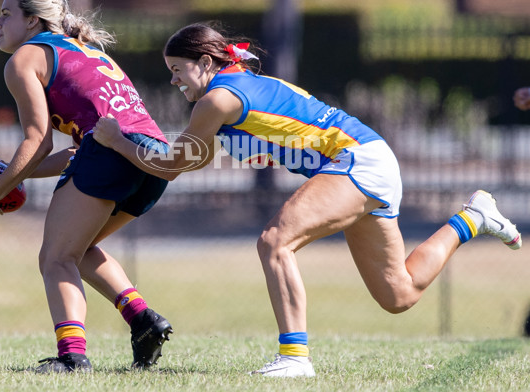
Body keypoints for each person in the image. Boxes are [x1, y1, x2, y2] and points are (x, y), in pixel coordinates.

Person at [92, 22, 523, 378]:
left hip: (357, 162)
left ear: (205, 63)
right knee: (400, 294)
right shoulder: (230, 91)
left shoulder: (218, 98)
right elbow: (190, 160)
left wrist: (115, 140)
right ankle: (474, 215)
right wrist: (137, 148)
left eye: (177, 69)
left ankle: (295, 358)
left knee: (275, 241)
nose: (172, 80)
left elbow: (174, 164)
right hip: (370, 162)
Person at [0, 0, 173, 373]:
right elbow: (73, 154)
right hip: (152, 155)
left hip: (110, 154)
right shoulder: (87, 51)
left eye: (6, 14)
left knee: (56, 257)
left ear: (34, 22)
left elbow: (38, 141)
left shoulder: (24, 59)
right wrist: (9, 177)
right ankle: (143, 319)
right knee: (77, 249)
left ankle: (72, 358)